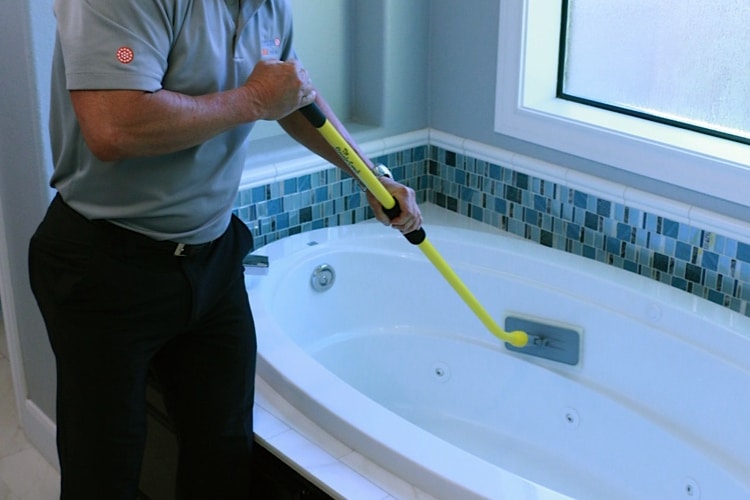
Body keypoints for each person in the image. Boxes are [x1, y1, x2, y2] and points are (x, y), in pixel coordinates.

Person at [28, 1, 423, 499]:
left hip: (212, 259)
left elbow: (295, 96)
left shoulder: (268, 8)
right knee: (103, 468)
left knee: (224, 451)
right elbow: (114, 125)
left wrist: (371, 178)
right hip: (104, 265)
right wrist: (255, 99)